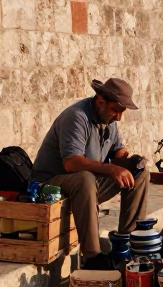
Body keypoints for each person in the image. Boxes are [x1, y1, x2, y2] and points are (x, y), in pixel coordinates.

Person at [30, 77, 149, 269]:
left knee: (140, 174)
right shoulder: (76, 117)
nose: (119, 117)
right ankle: (92, 255)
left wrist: (130, 161)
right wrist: (111, 168)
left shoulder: (109, 119)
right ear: (100, 101)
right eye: (116, 111)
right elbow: (72, 163)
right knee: (85, 178)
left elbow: (118, 153)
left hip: (86, 188)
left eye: (121, 112)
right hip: (49, 186)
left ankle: (127, 244)